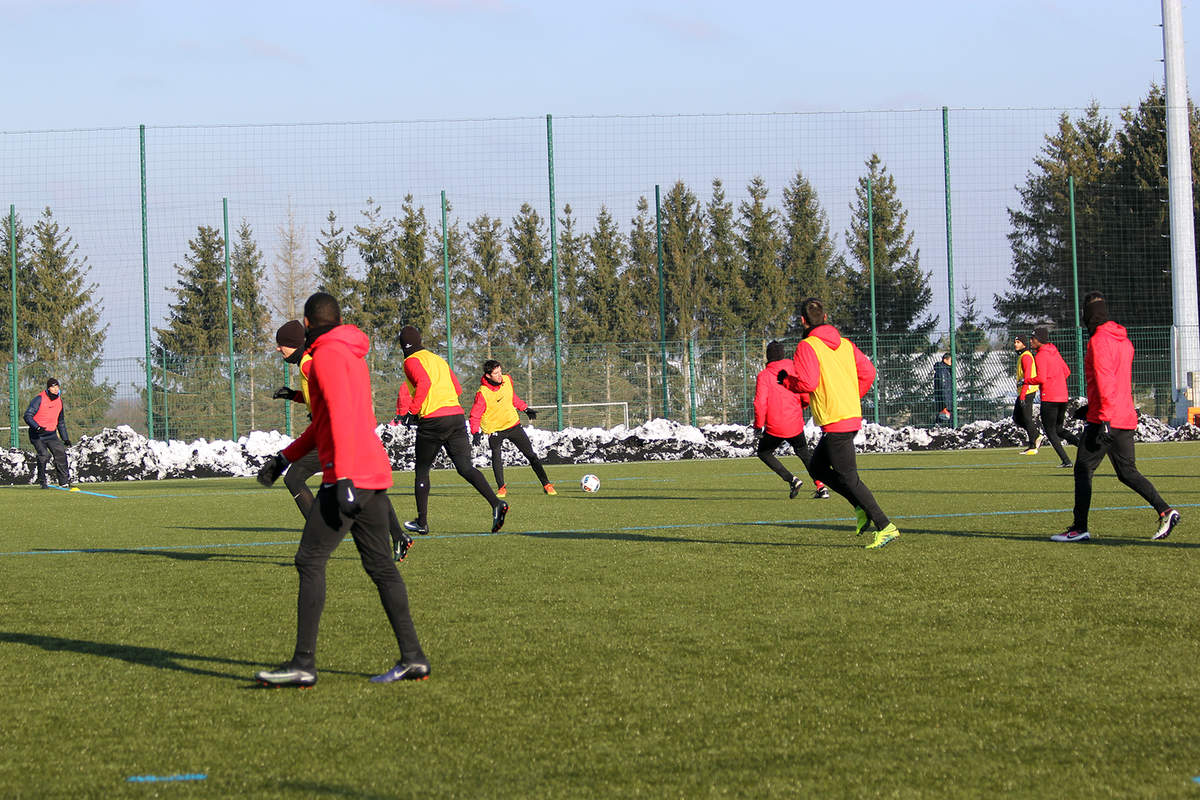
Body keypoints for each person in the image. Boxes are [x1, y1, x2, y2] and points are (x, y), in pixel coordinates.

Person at [254, 292, 428, 686]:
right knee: (381, 567)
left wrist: (343, 476)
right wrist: (285, 458)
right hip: (370, 473)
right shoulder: (350, 354)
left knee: (309, 560)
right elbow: (327, 421)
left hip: (347, 477)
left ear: (308, 323)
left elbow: (341, 416)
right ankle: (413, 657)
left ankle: (303, 664)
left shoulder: (327, 357)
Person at [271, 320, 412, 561]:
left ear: (293, 345)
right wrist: (294, 395)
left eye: (281, 344)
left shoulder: (307, 363)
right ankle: (399, 536)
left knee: (294, 478)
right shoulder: (310, 360)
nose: (278, 349)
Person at [1051, 292, 1180, 543]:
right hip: (1124, 415)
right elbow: (1115, 382)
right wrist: (1092, 408)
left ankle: (1079, 528)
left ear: (1088, 315)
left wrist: (1102, 417)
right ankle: (1165, 511)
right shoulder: (1124, 341)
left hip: (1106, 419)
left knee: (1083, 469)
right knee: (1127, 472)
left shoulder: (1098, 341)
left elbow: (1104, 380)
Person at [785, 298, 900, 549]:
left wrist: (788, 382)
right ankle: (860, 507)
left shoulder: (807, 346)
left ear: (803, 321)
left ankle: (885, 525)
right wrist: (850, 396)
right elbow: (869, 373)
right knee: (817, 467)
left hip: (837, 420)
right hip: (847, 415)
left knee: (849, 479)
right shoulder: (846, 344)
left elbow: (808, 383)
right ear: (825, 317)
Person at [393, 326, 508, 536]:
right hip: (455, 417)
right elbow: (457, 389)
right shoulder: (437, 359)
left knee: (422, 470)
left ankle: (422, 522)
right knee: (465, 467)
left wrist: (412, 411)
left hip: (433, 421)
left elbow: (424, 382)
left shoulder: (410, 361)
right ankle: (496, 503)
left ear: (403, 346)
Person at [467, 359, 555, 498]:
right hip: (495, 429)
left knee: (531, 455)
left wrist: (525, 408)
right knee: (496, 455)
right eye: (496, 373)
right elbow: (475, 414)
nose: (500, 375)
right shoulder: (482, 393)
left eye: (500, 371)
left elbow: (512, 397)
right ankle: (501, 488)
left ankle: (547, 484)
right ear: (488, 376)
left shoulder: (507, 380)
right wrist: (475, 432)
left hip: (513, 424)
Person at [752, 340, 828, 499]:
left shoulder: (764, 376)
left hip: (775, 427)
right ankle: (821, 486)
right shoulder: (794, 369)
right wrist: (803, 405)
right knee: (804, 454)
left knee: (764, 453)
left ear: (768, 357)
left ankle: (792, 480)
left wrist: (758, 426)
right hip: (795, 423)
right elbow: (804, 393)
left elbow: (760, 403)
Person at [1026, 326, 1078, 468]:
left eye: (1033, 339)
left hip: (1049, 397)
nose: (1031, 341)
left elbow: (1041, 378)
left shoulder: (1040, 355)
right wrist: (1056, 381)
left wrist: (1026, 380)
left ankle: (1066, 461)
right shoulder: (1054, 351)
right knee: (1059, 429)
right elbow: (1067, 371)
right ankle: (1083, 447)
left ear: (1039, 340)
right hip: (1062, 397)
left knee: (1050, 431)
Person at [24, 378, 74, 490]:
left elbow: (60, 422)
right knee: (44, 455)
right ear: (48, 388)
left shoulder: (59, 401)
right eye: (52, 387)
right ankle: (42, 480)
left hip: (51, 435)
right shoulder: (39, 399)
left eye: (57, 386)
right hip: (37, 435)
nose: (55, 389)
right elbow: (27, 416)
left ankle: (64, 482)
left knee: (61, 453)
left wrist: (65, 438)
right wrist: (37, 427)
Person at [1013, 333, 1043, 455]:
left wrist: (1023, 394)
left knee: (1026, 418)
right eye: (1015, 342)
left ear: (1024, 344)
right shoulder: (1022, 356)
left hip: (1028, 391)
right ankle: (1036, 435)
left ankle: (1033, 445)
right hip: (1022, 391)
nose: (1015, 344)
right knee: (1017, 417)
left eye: (1018, 342)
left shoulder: (1026, 356)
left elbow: (1028, 376)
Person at [932, 353, 952, 426]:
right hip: (945, 401)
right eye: (951, 360)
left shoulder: (946, 370)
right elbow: (944, 388)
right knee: (945, 419)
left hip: (946, 400)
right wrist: (946, 404)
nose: (952, 363)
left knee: (942, 419)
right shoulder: (942, 371)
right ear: (945, 360)